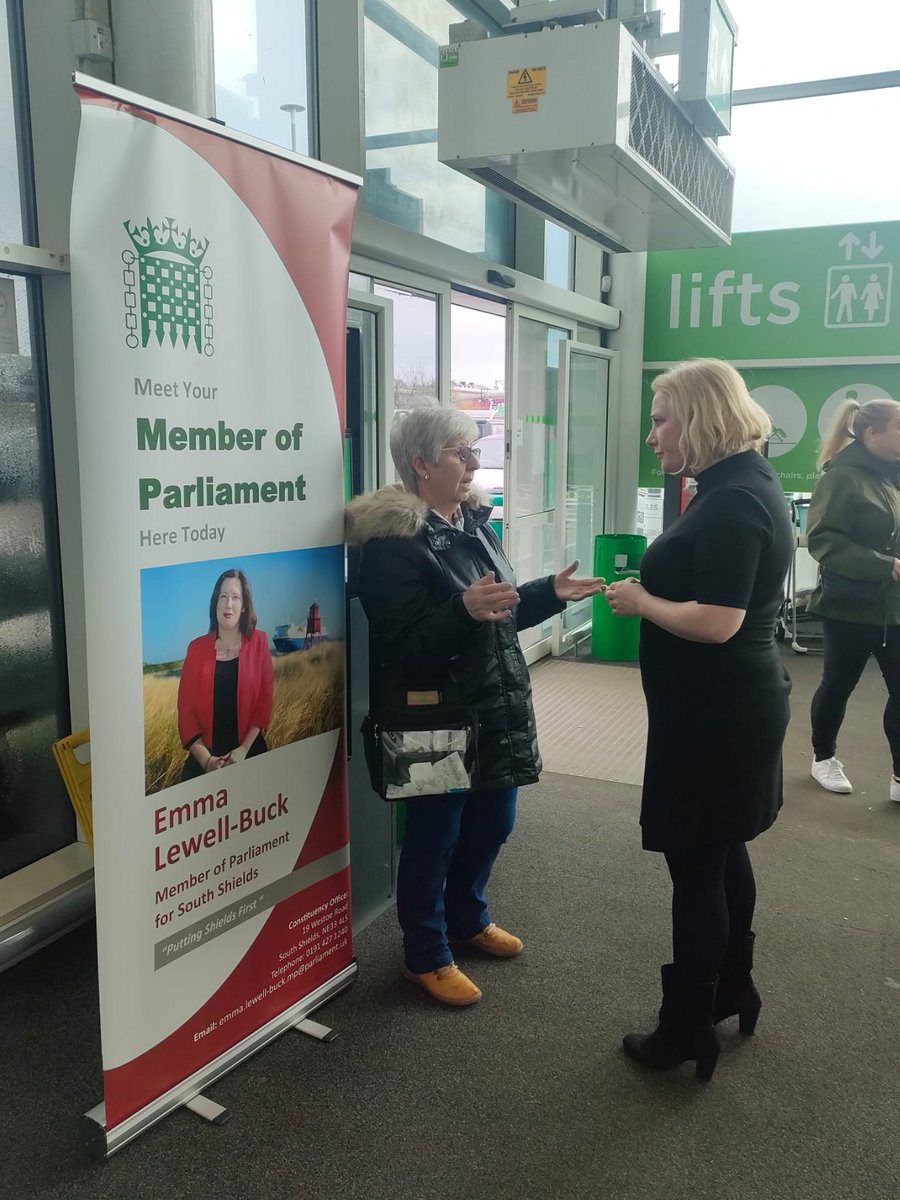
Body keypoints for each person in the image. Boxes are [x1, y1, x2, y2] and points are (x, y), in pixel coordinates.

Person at [345, 406, 604, 1007]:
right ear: (421, 462)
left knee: (494, 824)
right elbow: (404, 649)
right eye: (462, 453)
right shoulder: (392, 544)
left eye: (473, 452)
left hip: (491, 705)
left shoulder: (473, 526)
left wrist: (547, 594)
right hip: (432, 715)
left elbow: (498, 614)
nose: (475, 464)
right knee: (434, 838)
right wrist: (461, 610)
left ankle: (467, 918)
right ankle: (426, 954)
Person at [604, 358, 793, 1080]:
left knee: (697, 867)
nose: (652, 434)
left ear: (701, 416)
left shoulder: (733, 500)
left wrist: (640, 602)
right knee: (723, 850)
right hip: (727, 707)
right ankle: (731, 990)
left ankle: (685, 1027)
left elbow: (717, 620)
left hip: (717, 715)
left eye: (661, 418)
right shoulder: (742, 483)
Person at [805, 397, 900, 800]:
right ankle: (823, 758)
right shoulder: (840, 477)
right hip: (849, 606)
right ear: (872, 433)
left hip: (893, 605)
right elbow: (823, 541)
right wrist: (885, 565)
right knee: (838, 684)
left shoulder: (892, 474)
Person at [177, 568, 274, 781]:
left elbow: (264, 701)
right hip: (205, 757)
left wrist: (243, 750)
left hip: (249, 751)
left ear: (244, 607)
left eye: (235, 597)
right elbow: (185, 711)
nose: (229, 604)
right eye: (223, 596)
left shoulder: (259, 642)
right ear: (215, 603)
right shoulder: (195, 648)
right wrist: (206, 761)